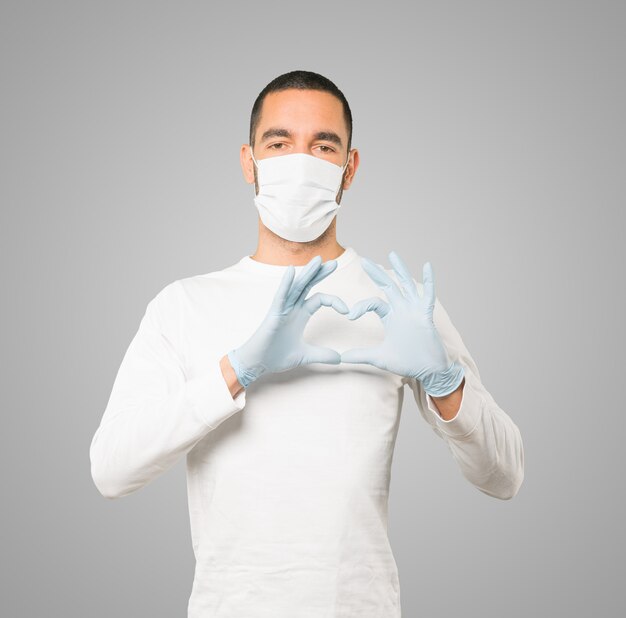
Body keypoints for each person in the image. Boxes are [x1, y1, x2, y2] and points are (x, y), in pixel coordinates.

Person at [90, 70, 524, 617]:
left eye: (323, 145)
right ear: (249, 161)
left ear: (350, 167)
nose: (301, 162)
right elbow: (110, 470)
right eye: (279, 143)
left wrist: (446, 384)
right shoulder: (185, 305)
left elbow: (505, 476)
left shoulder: (398, 303)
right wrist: (237, 369)